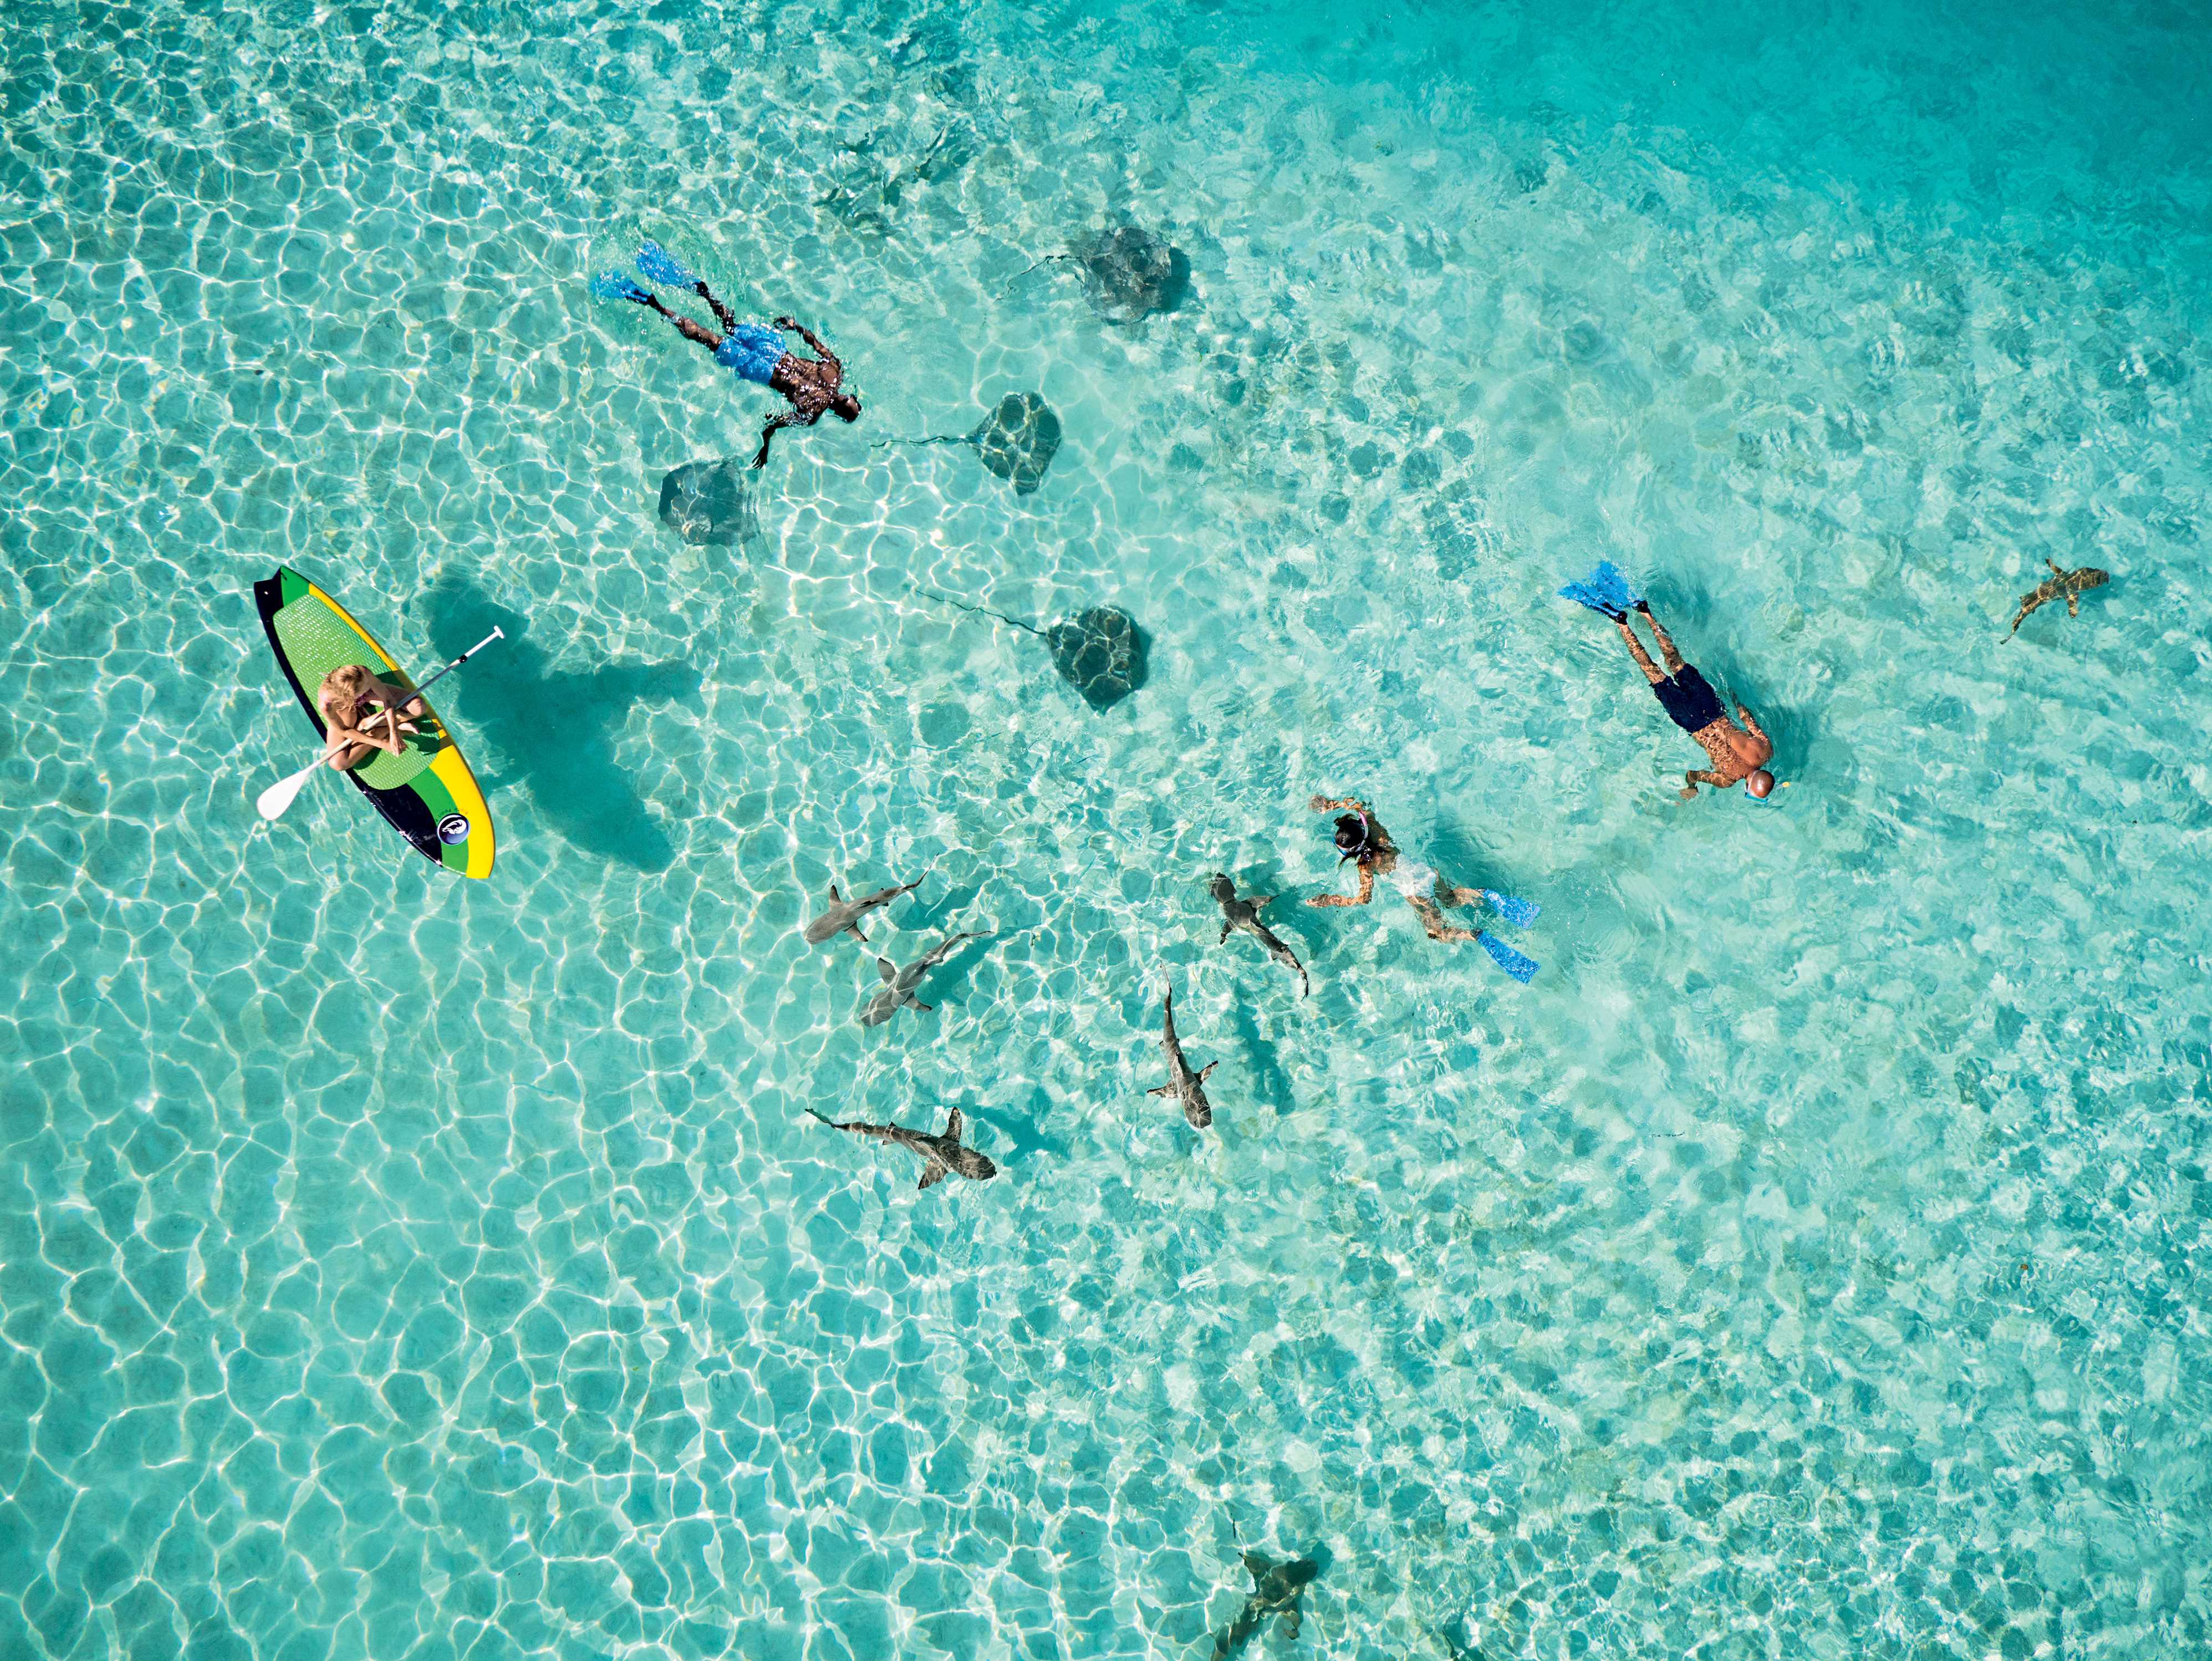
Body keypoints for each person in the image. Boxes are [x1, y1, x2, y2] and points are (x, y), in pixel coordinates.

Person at [597, 256, 860, 467]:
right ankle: (655, 305)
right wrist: (765, 448)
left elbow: (813, 341)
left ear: (848, 396)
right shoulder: (811, 413)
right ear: (836, 415)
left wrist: (794, 325)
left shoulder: (835, 371)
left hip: (774, 349)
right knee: (707, 338)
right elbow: (772, 426)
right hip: (764, 371)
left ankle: (704, 292)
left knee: (730, 324)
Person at [1602, 600, 1775, 799]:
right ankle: (1621, 623)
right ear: (1747, 785)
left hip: (1713, 708)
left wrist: (1735, 700)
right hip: (1693, 721)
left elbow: (1746, 716)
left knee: (1676, 662)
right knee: (1653, 673)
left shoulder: (1766, 750)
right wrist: (1692, 787)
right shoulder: (1727, 780)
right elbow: (1692, 775)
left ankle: (1646, 613)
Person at [1304, 796, 1494, 942]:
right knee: (1450, 900)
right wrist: (1332, 804)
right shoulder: (1378, 833)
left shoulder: (1365, 865)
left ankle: (1472, 935)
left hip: (1416, 893)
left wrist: (1332, 900)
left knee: (1437, 933)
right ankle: (1479, 895)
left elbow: (1364, 899)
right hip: (1426, 873)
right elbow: (1362, 806)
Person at [317, 665, 425, 772]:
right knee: (338, 764)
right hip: (344, 710)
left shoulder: (361, 673)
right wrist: (381, 744)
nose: (370, 685)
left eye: (368, 685)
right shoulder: (327, 706)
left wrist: (394, 732)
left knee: (418, 707)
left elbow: (387, 699)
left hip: (364, 696)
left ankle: (366, 725)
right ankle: (382, 728)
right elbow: (344, 730)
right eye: (366, 687)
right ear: (352, 696)